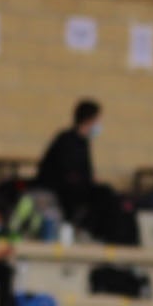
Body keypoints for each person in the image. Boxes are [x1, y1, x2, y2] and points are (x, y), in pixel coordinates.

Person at [34, 98, 101, 228]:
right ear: (89, 120)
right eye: (97, 120)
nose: (99, 124)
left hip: (74, 187)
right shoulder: (66, 139)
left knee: (103, 193)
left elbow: (87, 171)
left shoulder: (84, 142)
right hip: (58, 188)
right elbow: (64, 171)